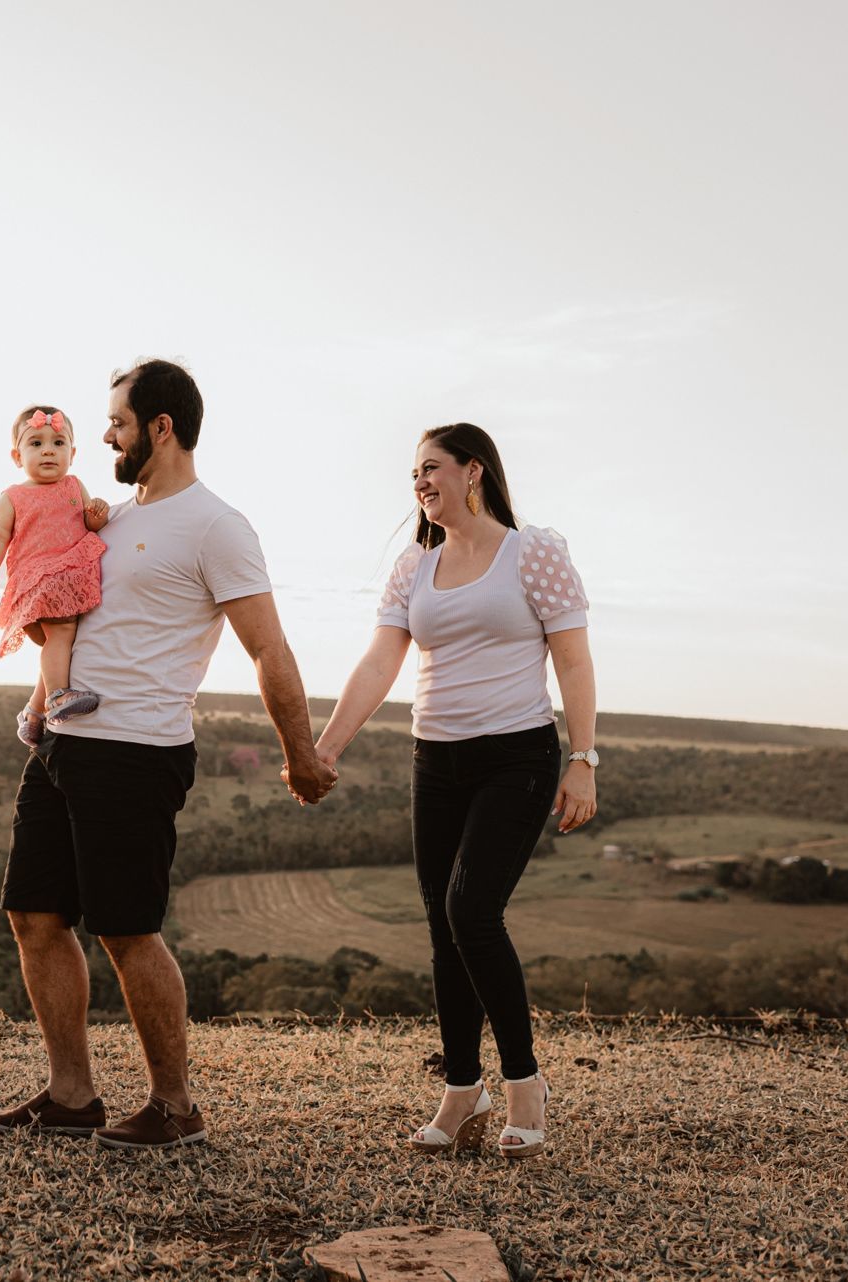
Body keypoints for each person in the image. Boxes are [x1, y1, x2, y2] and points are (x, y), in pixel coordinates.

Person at [0, 359, 337, 1151]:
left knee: (127, 929)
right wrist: (39, 709)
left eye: (118, 423)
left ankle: (175, 1107)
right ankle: (72, 1096)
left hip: (137, 753)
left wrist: (300, 754)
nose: (104, 434)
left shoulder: (217, 526)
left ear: (160, 428)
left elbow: (268, 648)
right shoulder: (112, 518)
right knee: (34, 914)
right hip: (64, 743)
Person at [315, 423, 597, 1160]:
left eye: (432, 468)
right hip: (434, 762)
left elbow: (572, 657)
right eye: (413, 474)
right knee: (443, 930)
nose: (420, 482)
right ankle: (461, 1087)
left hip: (517, 759)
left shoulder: (534, 552)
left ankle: (525, 1083)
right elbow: (380, 663)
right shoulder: (414, 565)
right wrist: (326, 748)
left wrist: (585, 757)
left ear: (475, 471)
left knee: (470, 909)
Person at [0, 406, 111, 748]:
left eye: (58, 442)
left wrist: (97, 516)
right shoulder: (14, 497)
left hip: (69, 575)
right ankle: (58, 698)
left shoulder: (74, 485)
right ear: (17, 456)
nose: (48, 450)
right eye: (36, 443)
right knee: (62, 633)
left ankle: (33, 717)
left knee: (60, 644)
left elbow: (88, 524)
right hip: (39, 579)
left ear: (73, 453)